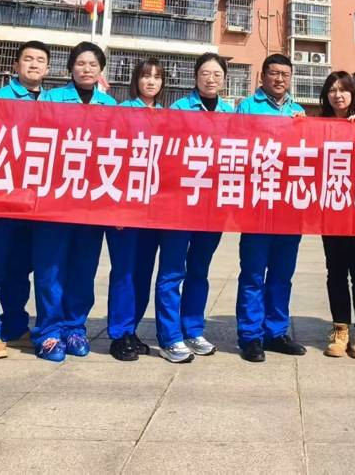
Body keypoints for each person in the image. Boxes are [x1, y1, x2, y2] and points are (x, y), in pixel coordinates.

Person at [32, 42, 139, 363]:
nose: (86, 69)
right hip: (55, 199)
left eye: (93, 64)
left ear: (101, 70)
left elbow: (117, 154)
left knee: (83, 267)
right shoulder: (51, 99)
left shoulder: (110, 106)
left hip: (92, 203)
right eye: (80, 63)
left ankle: (74, 327)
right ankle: (48, 331)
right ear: (70, 68)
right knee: (51, 268)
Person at [156, 53, 236, 363]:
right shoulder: (179, 109)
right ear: (195, 77)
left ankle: (192, 329)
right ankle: (169, 337)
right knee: (172, 271)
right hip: (179, 203)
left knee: (199, 270)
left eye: (217, 74)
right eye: (205, 73)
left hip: (212, 206)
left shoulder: (231, 113)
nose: (211, 79)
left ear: (224, 79)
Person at [0, 40, 48, 359]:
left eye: (40, 60)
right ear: (16, 65)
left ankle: (15, 326)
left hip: (36, 202)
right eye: (28, 59)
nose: (34, 64)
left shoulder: (53, 102)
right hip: (1, 199)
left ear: (47, 68)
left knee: (21, 267)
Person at [235, 54, 308, 363]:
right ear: (263, 76)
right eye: (274, 73)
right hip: (257, 204)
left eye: (285, 74)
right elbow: (236, 148)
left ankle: (276, 332)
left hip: (289, 205)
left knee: (282, 273)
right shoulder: (247, 108)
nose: (279, 79)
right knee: (253, 274)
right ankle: (251, 336)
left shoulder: (298, 111)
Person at [317, 71, 355, 360]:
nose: (338, 95)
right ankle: (340, 329)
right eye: (332, 90)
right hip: (331, 207)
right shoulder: (318, 125)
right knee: (336, 271)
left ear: (353, 93)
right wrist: (299, 126)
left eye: (343, 89)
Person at [120, 57, 165, 358]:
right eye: (146, 76)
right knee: (125, 271)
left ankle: (132, 329)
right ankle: (119, 333)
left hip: (155, 210)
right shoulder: (123, 111)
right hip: (128, 206)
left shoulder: (167, 115)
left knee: (143, 272)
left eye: (157, 77)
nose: (151, 81)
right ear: (136, 80)